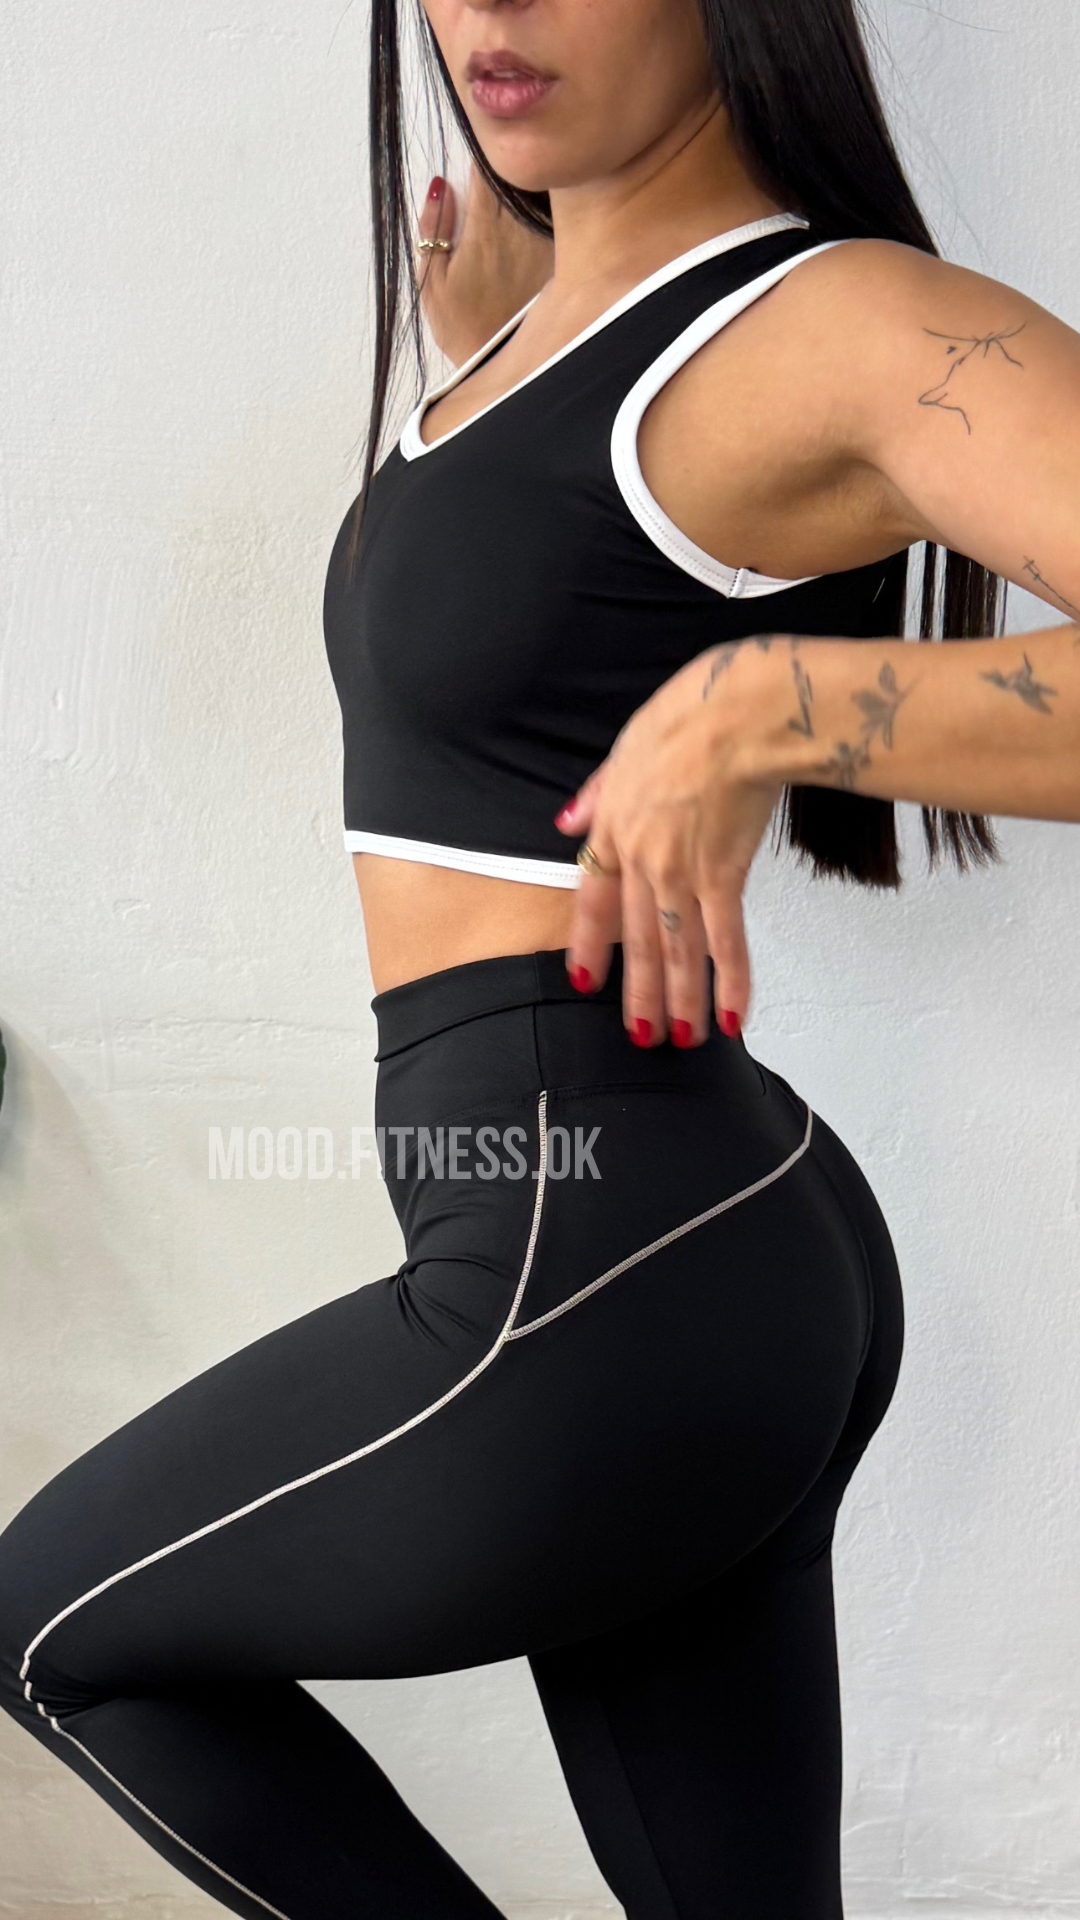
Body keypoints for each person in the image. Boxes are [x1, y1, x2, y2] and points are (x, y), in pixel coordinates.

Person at [0, 3, 1077, 1917]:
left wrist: (779, 698)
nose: (491, 8)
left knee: (55, 1630)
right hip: (673, 1236)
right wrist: (513, 356)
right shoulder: (565, 334)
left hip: (597, 1252)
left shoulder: (837, 320)